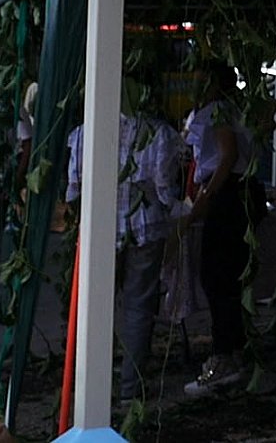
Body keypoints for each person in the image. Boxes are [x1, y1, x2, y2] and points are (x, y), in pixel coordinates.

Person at [65, 78, 185, 403]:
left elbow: (73, 191)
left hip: (100, 233)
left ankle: (92, 389)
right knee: (138, 308)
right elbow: (165, 192)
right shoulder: (159, 134)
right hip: (145, 230)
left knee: (96, 307)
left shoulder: (85, 132)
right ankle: (130, 388)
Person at [182, 61, 259, 396]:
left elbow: (227, 156)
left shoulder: (218, 112)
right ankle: (234, 351)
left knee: (217, 276)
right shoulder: (233, 110)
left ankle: (224, 357)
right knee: (228, 275)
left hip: (228, 195)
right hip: (238, 192)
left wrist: (206, 196)